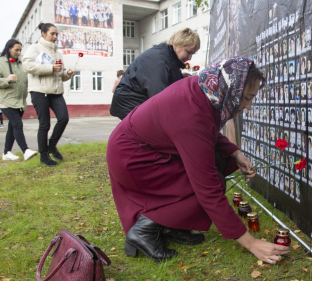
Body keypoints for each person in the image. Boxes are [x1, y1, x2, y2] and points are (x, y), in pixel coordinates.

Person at [107, 58, 289, 263]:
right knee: (211, 183)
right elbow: (207, 188)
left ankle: (170, 225)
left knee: (219, 164)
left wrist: (235, 153)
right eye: (246, 98)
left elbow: (206, 130)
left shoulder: (205, 88)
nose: (248, 106)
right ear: (230, 90)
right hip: (134, 160)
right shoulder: (190, 115)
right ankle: (144, 230)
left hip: (141, 149)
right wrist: (251, 243)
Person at [111, 28, 199, 120]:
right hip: (130, 104)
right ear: (176, 44)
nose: (190, 58)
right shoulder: (159, 61)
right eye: (188, 52)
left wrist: (180, 77)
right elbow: (161, 98)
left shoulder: (168, 57)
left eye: (193, 54)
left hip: (134, 102)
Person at [23, 23, 75, 166]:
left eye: (56, 34)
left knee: (64, 118)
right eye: (52, 33)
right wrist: (50, 67)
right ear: (43, 34)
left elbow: (60, 75)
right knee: (44, 124)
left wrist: (67, 74)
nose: (55, 37)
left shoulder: (57, 53)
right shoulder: (34, 48)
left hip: (56, 92)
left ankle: (52, 145)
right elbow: (27, 65)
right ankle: (44, 156)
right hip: (40, 92)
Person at [0, 39, 38, 161]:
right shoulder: (0, 62)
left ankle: (6, 153)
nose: (18, 52)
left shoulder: (21, 63)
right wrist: (7, 80)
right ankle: (25, 150)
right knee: (17, 124)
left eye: (20, 50)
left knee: (12, 127)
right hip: (6, 101)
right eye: (16, 50)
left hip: (20, 101)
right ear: (8, 48)